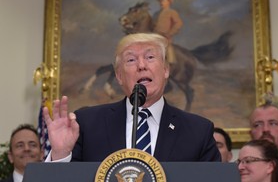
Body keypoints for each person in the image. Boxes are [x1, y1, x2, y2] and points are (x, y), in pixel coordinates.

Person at [43, 33, 221, 162]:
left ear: (166, 70)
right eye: (131, 60)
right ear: (119, 76)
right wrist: (60, 154)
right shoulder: (87, 124)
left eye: (150, 57)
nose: (142, 65)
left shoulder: (198, 131)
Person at [249, 92, 278, 163]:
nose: (265, 129)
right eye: (258, 125)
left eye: (273, 124)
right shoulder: (240, 169)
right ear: (250, 134)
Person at [153, 0, 183, 64]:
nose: (161, 3)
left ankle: (171, 65)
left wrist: (170, 33)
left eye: (163, 1)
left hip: (165, 37)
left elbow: (178, 23)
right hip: (155, 37)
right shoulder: (156, 14)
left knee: (169, 52)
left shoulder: (172, 12)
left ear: (168, 2)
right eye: (160, 1)